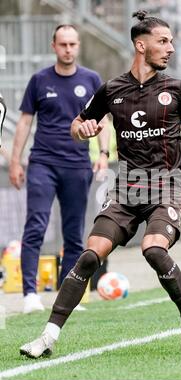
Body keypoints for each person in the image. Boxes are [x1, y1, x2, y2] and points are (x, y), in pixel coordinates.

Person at [19, 10, 181, 358]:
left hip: (166, 186)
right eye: (163, 41)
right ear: (141, 45)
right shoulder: (111, 89)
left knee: (153, 249)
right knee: (90, 255)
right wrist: (85, 130)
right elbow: (77, 125)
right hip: (126, 188)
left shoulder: (177, 89)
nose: (171, 48)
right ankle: (47, 337)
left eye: (171, 41)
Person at [9, 25, 110, 314]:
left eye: (72, 44)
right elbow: (25, 123)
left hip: (78, 165)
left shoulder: (91, 79)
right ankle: (30, 294)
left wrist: (102, 153)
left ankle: (67, 296)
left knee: (74, 233)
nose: (68, 49)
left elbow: (103, 120)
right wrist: (16, 161)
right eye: (63, 44)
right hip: (42, 162)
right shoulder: (39, 80)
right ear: (54, 46)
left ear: (78, 46)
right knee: (36, 226)